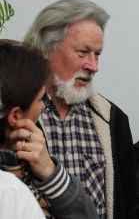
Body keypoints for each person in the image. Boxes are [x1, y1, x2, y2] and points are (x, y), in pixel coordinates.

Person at [23, 0, 136, 219]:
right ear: (46, 48)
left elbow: (128, 208)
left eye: (97, 54)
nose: (94, 66)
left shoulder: (113, 120)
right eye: (82, 52)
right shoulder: (16, 114)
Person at [0, 39, 97, 218]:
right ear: (14, 116)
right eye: (40, 99)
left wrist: (50, 171)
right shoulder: (10, 191)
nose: (43, 107)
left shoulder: (28, 160)